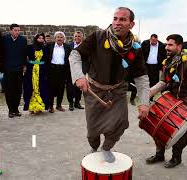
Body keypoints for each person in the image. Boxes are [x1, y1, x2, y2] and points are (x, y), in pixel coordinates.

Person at [69, 7, 150, 163]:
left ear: (131, 24)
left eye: (122, 19)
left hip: (118, 92)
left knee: (121, 123)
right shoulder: (98, 37)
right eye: (115, 18)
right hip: (94, 90)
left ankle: (106, 147)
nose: (117, 23)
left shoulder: (135, 48)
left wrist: (144, 103)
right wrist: (79, 76)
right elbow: (75, 54)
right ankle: (93, 147)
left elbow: (141, 77)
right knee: (93, 129)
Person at [146, 34, 187, 168]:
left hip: (185, 102)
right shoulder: (168, 61)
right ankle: (160, 154)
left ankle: (177, 157)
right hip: (169, 100)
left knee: (181, 133)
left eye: (170, 45)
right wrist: (148, 93)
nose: (166, 47)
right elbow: (163, 82)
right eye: (166, 44)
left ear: (179, 46)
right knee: (159, 127)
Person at [2, 24, 27, 118]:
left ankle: (16, 109)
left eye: (18, 30)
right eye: (15, 30)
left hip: (19, 69)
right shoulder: (5, 39)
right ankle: (10, 110)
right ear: (11, 31)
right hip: (8, 69)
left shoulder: (23, 40)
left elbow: (24, 54)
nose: (17, 32)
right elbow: (1, 53)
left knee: (18, 90)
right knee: (9, 90)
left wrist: (24, 65)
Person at [23, 33, 50, 114]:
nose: (41, 40)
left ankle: (40, 107)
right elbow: (24, 57)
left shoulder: (45, 48)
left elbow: (47, 60)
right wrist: (25, 66)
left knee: (41, 87)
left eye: (42, 38)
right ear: (35, 39)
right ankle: (31, 107)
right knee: (31, 87)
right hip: (31, 70)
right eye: (39, 38)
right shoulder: (30, 47)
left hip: (42, 70)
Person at [48, 31, 71, 113]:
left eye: (61, 37)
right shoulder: (50, 46)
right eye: (58, 37)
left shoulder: (67, 47)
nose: (59, 38)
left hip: (62, 70)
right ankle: (50, 106)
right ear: (55, 38)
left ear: (64, 39)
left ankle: (59, 105)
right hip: (52, 69)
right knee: (51, 88)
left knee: (61, 88)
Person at [141, 34, 167, 100]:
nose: (154, 43)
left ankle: (151, 96)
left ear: (157, 39)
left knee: (154, 81)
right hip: (146, 65)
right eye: (152, 41)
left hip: (156, 66)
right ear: (150, 39)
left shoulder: (161, 45)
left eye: (155, 41)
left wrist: (163, 66)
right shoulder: (145, 43)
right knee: (145, 80)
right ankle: (143, 94)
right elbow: (141, 53)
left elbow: (164, 56)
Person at [67, 31, 84, 111]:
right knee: (70, 87)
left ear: (82, 37)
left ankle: (77, 103)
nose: (77, 37)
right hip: (70, 69)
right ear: (73, 37)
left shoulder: (85, 46)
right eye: (76, 36)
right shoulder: (68, 46)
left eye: (79, 36)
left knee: (79, 87)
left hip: (81, 69)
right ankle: (71, 103)